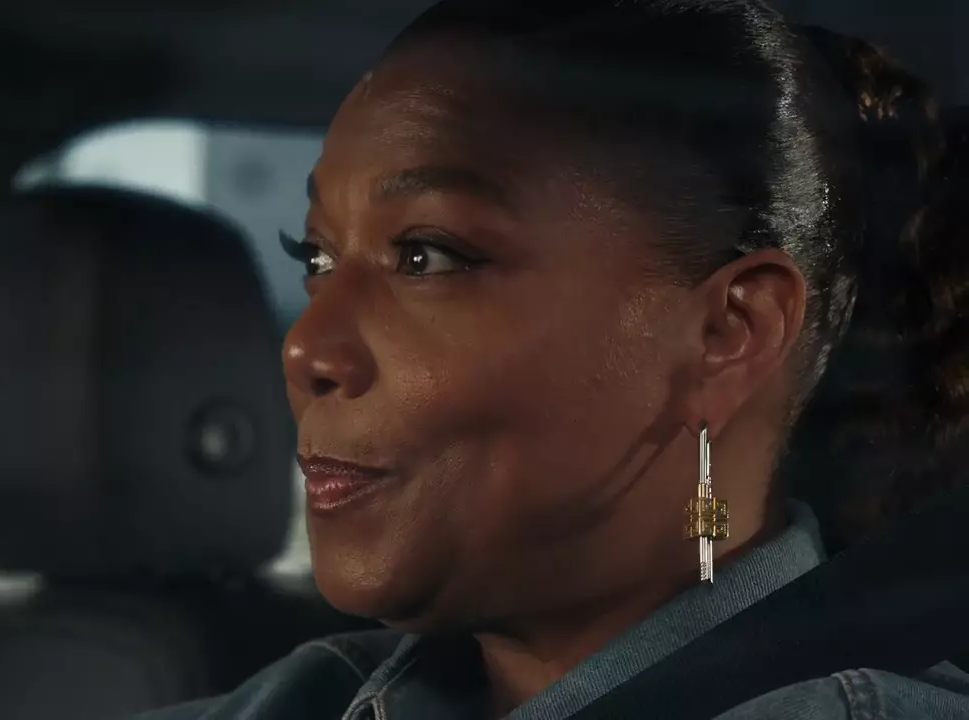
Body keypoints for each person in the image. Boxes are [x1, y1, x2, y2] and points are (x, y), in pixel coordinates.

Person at [137, 0, 969, 717]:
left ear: (726, 334)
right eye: (316, 257)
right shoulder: (308, 697)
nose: (306, 347)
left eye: (426, 256)